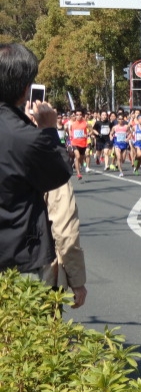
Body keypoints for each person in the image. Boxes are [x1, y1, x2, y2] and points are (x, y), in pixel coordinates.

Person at [0, 43, 72, 277]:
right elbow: (59, 172)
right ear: (26, 89)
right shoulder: (26, 137)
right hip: (18, 255)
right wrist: (49, 130)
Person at [69, 108, 90, 180]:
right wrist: (70, 135)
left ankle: (78, 164)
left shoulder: (85, 123)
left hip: (83, 143)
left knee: (81, 159)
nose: (78, 116)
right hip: (75, 143)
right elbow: (70, 131)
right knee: (77, 156)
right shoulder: (72, 124)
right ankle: (78, 173)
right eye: (77, 115)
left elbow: (91, 130)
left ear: (82, 115)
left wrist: (87, 135)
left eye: (80, 115)